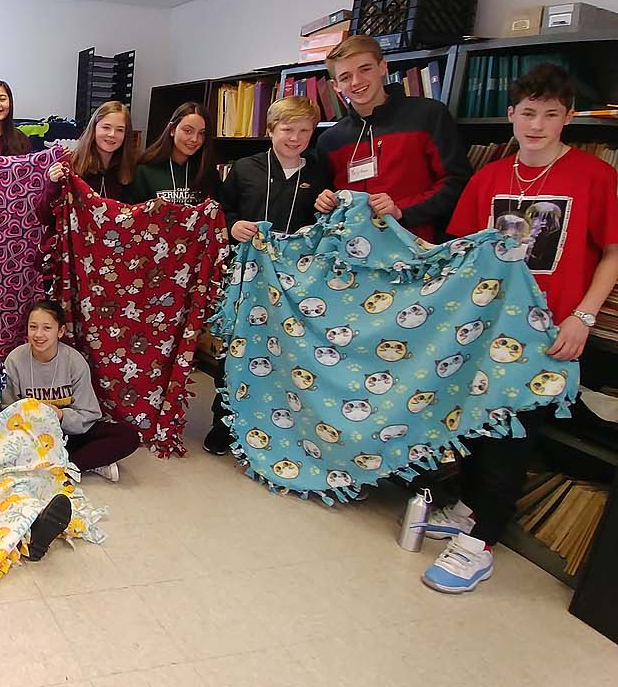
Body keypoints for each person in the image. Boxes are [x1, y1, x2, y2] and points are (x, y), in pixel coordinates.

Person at [420, 63, 618, 594]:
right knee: (479, 422)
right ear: (512, 114)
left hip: (551, 330)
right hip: (487, 324)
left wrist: (584, 316)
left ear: (567, 118)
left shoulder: (596, 176)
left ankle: (481, 542)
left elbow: (614, 252)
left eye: (551, 115)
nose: (537, 125)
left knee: (515, 432)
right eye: (528, 113)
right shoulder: (489, 178)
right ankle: (469, 508)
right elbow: (463, 253)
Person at [202, 95, 333, 455]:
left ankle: (277, 424)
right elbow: (219, 211)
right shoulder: (245, 168)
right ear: (271, 129)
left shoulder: (320, 173)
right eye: (287, 129)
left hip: (298, 281)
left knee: (287, 350)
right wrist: (233, 225)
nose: (295, 138)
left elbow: (327, 227)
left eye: (304, 130)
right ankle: (223, 422)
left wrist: (328, 207)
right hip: (249, 277)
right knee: (237, 348)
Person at [313, 35, 471, 241]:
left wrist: (401, 210)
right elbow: (326, 195)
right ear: (335, 86)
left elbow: (457, 182)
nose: (357, 82)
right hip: (353, 252)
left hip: (417, 248)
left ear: (382, 67)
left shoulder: (428, 115)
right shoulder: (329, 140)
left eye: (365, 69)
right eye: (345, 77)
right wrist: (324, 201)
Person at [2, 299, 140, 482]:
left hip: (69, 432)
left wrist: (60, 415)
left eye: (47, 328)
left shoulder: (74, 361)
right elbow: (6, 411)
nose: (38, 334)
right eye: (33, 327)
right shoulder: (15, 360)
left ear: (60, 331)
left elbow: (89, 413)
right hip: (31, 435)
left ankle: (71, 466)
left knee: (127, 436)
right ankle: (90, 462)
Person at [126, 102, 218, 206]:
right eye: (188, 131)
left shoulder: (208, 172)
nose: (195, 139)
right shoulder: (143, 171)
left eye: (201, 133)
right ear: (172, 129)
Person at [48, 101, 133, 199]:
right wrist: (52, 185)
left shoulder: (131, 169)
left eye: (120, 130)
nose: (112, 134)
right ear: (94, 128)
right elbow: (42, 212)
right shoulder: (68, 164)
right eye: (106, 127)